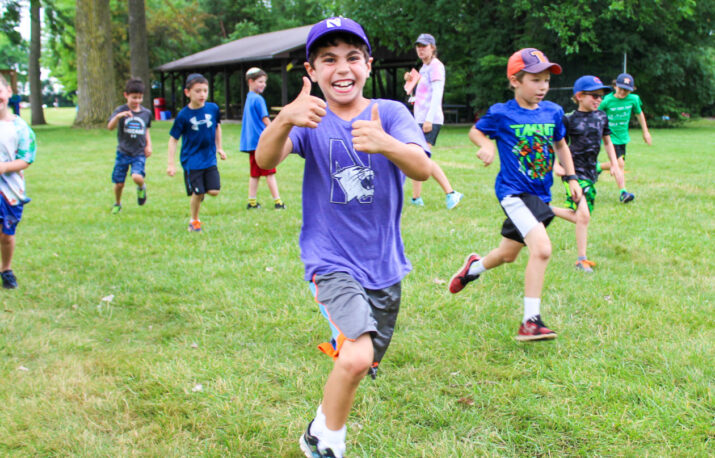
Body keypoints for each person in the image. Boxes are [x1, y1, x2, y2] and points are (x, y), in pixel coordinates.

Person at [255, 17, 431, 458]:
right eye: (328, 59)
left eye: (352, 57)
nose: (341, 68)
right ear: (312, 72)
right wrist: (283, 121)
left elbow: (421, 167)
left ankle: (318, 429)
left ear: (368, 65)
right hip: (330, 259)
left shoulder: (390, 113)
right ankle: (328, 445)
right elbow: (264, 158)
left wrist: (384, 143)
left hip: (385, 265)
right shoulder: (309, 118)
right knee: (354, 356)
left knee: (364, 360)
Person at [447, 48, 582, 341]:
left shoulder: (554, 112)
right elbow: (476, 132)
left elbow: (561, 145)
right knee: (542, 249)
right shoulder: (502, 113)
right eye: (535, 79)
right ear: (515, 81)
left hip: (540, 197)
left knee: (507, 255)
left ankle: (473, 268)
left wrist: (570, 177)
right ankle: (530, 321)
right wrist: (486, 146)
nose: (543, 86)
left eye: (546, 80)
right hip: (513, 194)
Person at [550, 75, 624, 272]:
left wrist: (615, 165)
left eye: (601, 96)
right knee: (583, 215)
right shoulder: (569, 119)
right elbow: (558, 145)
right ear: (579, 96)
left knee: (582, 217)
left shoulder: (601, 117)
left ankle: (545, 209)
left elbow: (607, 142)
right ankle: (581, 260)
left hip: (591, 172)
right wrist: (557, 167)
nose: (599, 99)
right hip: (573, 173)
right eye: (594, 95)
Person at [403, 33, 463, 209]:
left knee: (422, 158)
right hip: (420, 119)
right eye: (418, 46)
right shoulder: (423, 69)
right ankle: (416, 198)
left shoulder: (436, 67)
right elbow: (422, 95)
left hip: (430, 120)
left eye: (425, 46)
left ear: (433, 48)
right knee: (416, 156)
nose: (421, 49)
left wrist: (429, 120)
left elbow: (437, 94)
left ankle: (451, 193)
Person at [167, 73, 227, 232]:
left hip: (209, 158)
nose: (202, 94)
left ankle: (200, 193)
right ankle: (194, 221)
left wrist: (219, 147)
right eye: (198, 91)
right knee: (198, 192)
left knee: (214, 191)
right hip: (192, 160)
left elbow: (217, 127)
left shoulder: (213, 108)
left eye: (205, 91)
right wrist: (171, 164)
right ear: (187, 93)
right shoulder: (183, 116)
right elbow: (173, 139)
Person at [0, 74, 36, 289]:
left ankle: (6, 268)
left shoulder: (20, 128)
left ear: (9, 93)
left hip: (11, 191)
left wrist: (3, 167)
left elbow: (26, 159)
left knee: (5, 234)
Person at [598, 72, 652, 203]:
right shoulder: (607, 101)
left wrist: (645, 132)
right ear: (615, 86)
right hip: (610, 137)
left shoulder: (633, 99)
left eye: (627, 90)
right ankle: (623, 192)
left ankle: (597, 168)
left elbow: (640, 114)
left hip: (623, 138)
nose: (623, 92)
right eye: (621, 88)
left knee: (619, 166)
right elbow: (596, 115)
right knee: (619, 163)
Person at [239, 67, 285, 210]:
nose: (263, 85)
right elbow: (265, 119)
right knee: (269, 172)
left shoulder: (249, 98)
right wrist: (275, 131)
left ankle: (252, 202)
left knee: (255, 174)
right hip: (261, 142)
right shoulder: (258, 99)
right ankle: (278, 202)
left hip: (251, 143)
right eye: (260, 82)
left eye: (264, 82)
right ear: (250, 81)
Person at [107, 78, 153, 214]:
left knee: (136, 177)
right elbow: (110, 127)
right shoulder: (120, 110)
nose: (137, 101)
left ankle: (141, 188)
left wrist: (149, 145)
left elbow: (146, 130)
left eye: (140, 98)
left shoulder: (146, 113)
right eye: (134, 98)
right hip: (123, 152)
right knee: (119, 183)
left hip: (138, 152)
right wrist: (118, 117)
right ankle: (117, 203)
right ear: (126, 95)